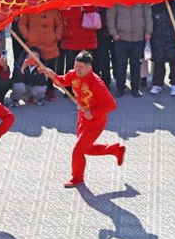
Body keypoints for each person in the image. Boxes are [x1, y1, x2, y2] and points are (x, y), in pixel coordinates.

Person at [41, 51, 125, 188]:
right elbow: (62, 82)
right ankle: (115, 149)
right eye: (76, 66)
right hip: (82, 118)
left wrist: (93, 113)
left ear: (89, 68)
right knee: (87, 149)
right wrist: (52, 76)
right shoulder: (72, 73)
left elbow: (112, 104)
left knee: (78, 150)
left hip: (95, 121)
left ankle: (77, 177)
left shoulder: (97, 83)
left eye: (81, 67)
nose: (77, 70)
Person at [149, 0, 175, 96]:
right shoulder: (154, 7)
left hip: (173, 41)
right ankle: (157, 84)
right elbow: (150, 23)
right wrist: (153, 35)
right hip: (158, 41)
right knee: (158, 63)